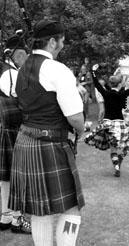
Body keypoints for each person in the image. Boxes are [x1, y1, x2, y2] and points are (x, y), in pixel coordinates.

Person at [9, 20, 85, 246]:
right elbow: (74, 117)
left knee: (39, 212)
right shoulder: (57, 69)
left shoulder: (21, 70)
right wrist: (80, 130)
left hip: (25, 141)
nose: (63, 45)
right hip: (50, 143)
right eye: (62, 40)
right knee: (71, 209)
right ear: (53, 41)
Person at [85, 68, 129, 177]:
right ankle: (119, 159)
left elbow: (96, 84)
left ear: (110, 84)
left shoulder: (106, 93)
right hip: (119, 124)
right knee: (125, 144)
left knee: (113, 149)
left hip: (108, 125)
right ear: (120, 84)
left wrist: (93, 72)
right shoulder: (121, 94)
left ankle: (116, 166)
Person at [0, 34, 31, 234]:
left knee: (5, 178)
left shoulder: (4, 71)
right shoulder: (12, 74)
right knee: (17, 176)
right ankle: (17, 220)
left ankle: (5, 216)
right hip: (13, 130)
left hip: (5, 129)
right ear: (18, 55)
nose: (28, 59)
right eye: (26, 55)